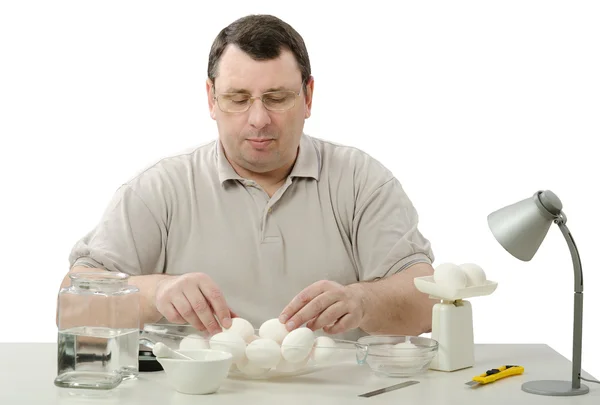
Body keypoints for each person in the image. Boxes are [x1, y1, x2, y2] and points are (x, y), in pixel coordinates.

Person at [59, 14, 436, 342]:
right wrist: (155, 292)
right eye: (238, 99)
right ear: (211, 99)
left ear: (308, 96)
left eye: (277, 98)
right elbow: (71, 309)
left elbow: (426, 304)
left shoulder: (361, 182)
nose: (258, 119)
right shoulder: (158, 190)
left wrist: (362, 302)